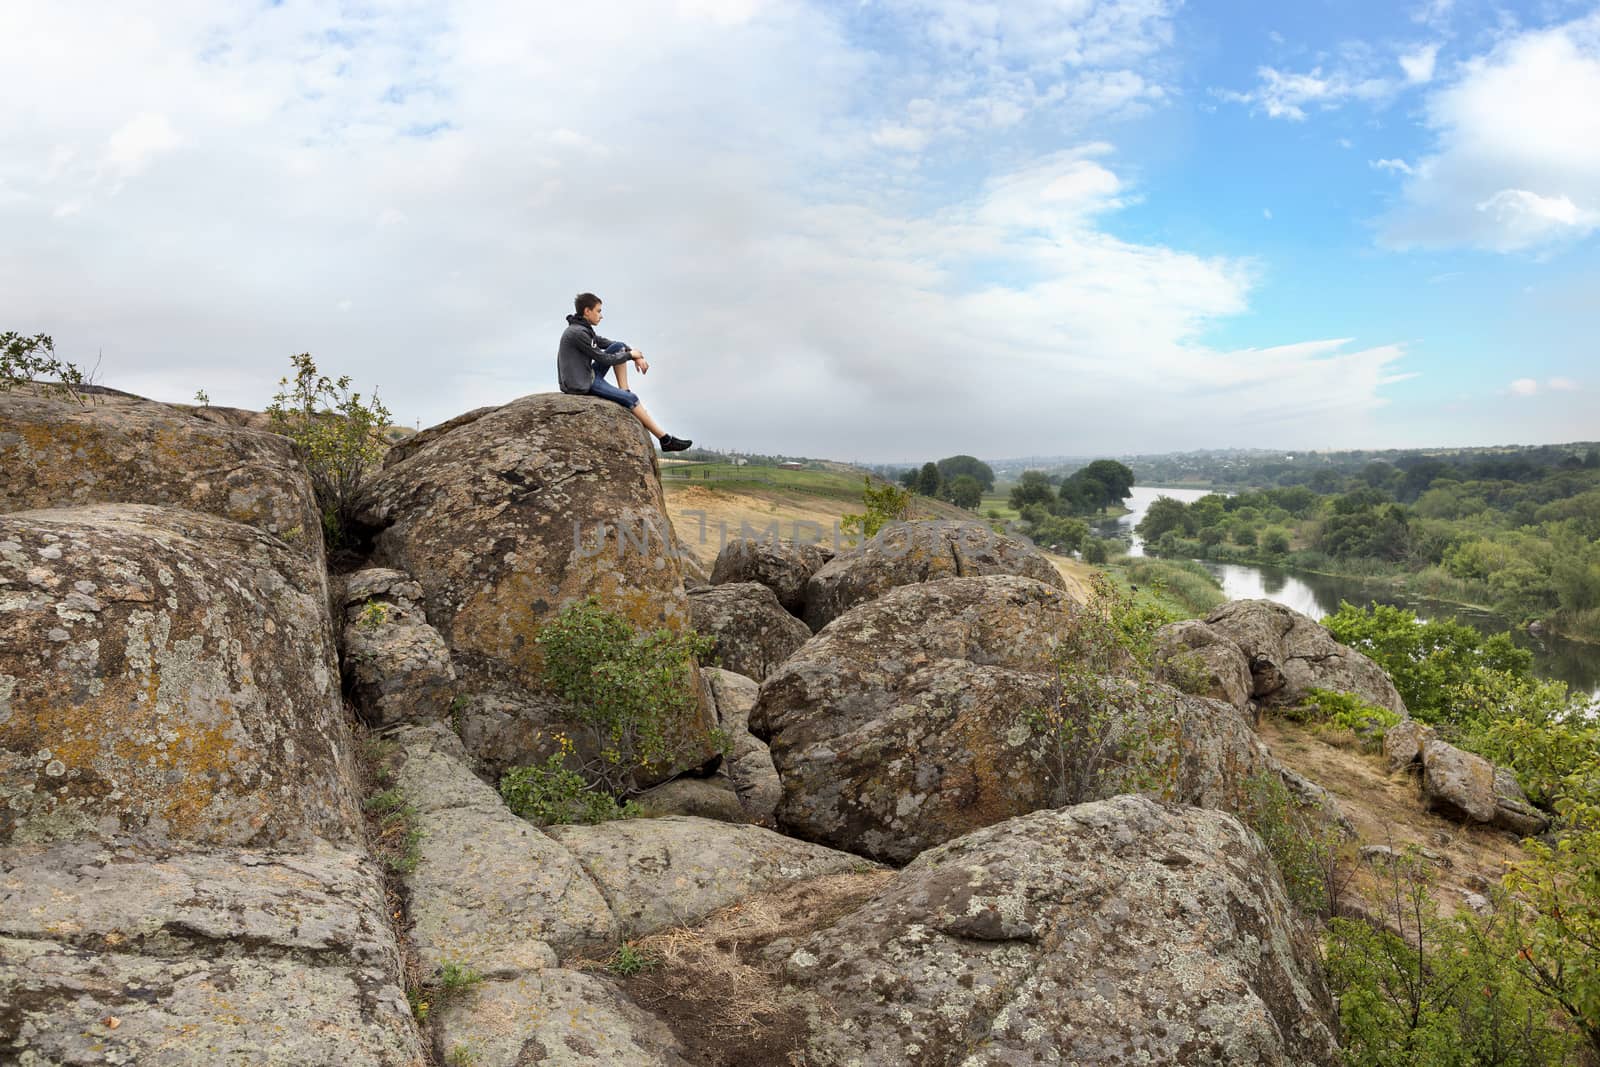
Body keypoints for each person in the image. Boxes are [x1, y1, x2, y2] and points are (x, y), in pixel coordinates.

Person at [557, 292, 692, 452]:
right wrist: (630, 355)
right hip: (581, 384)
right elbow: (604, 358)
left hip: (585, 374)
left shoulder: (583, 329)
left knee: (619, 346)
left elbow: (609, 344)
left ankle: (624, 391)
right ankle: (665, 440)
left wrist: (633, 354)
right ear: (587, 311)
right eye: (598, 311)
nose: (601, 316)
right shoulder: (578, 333)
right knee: (632, 398)